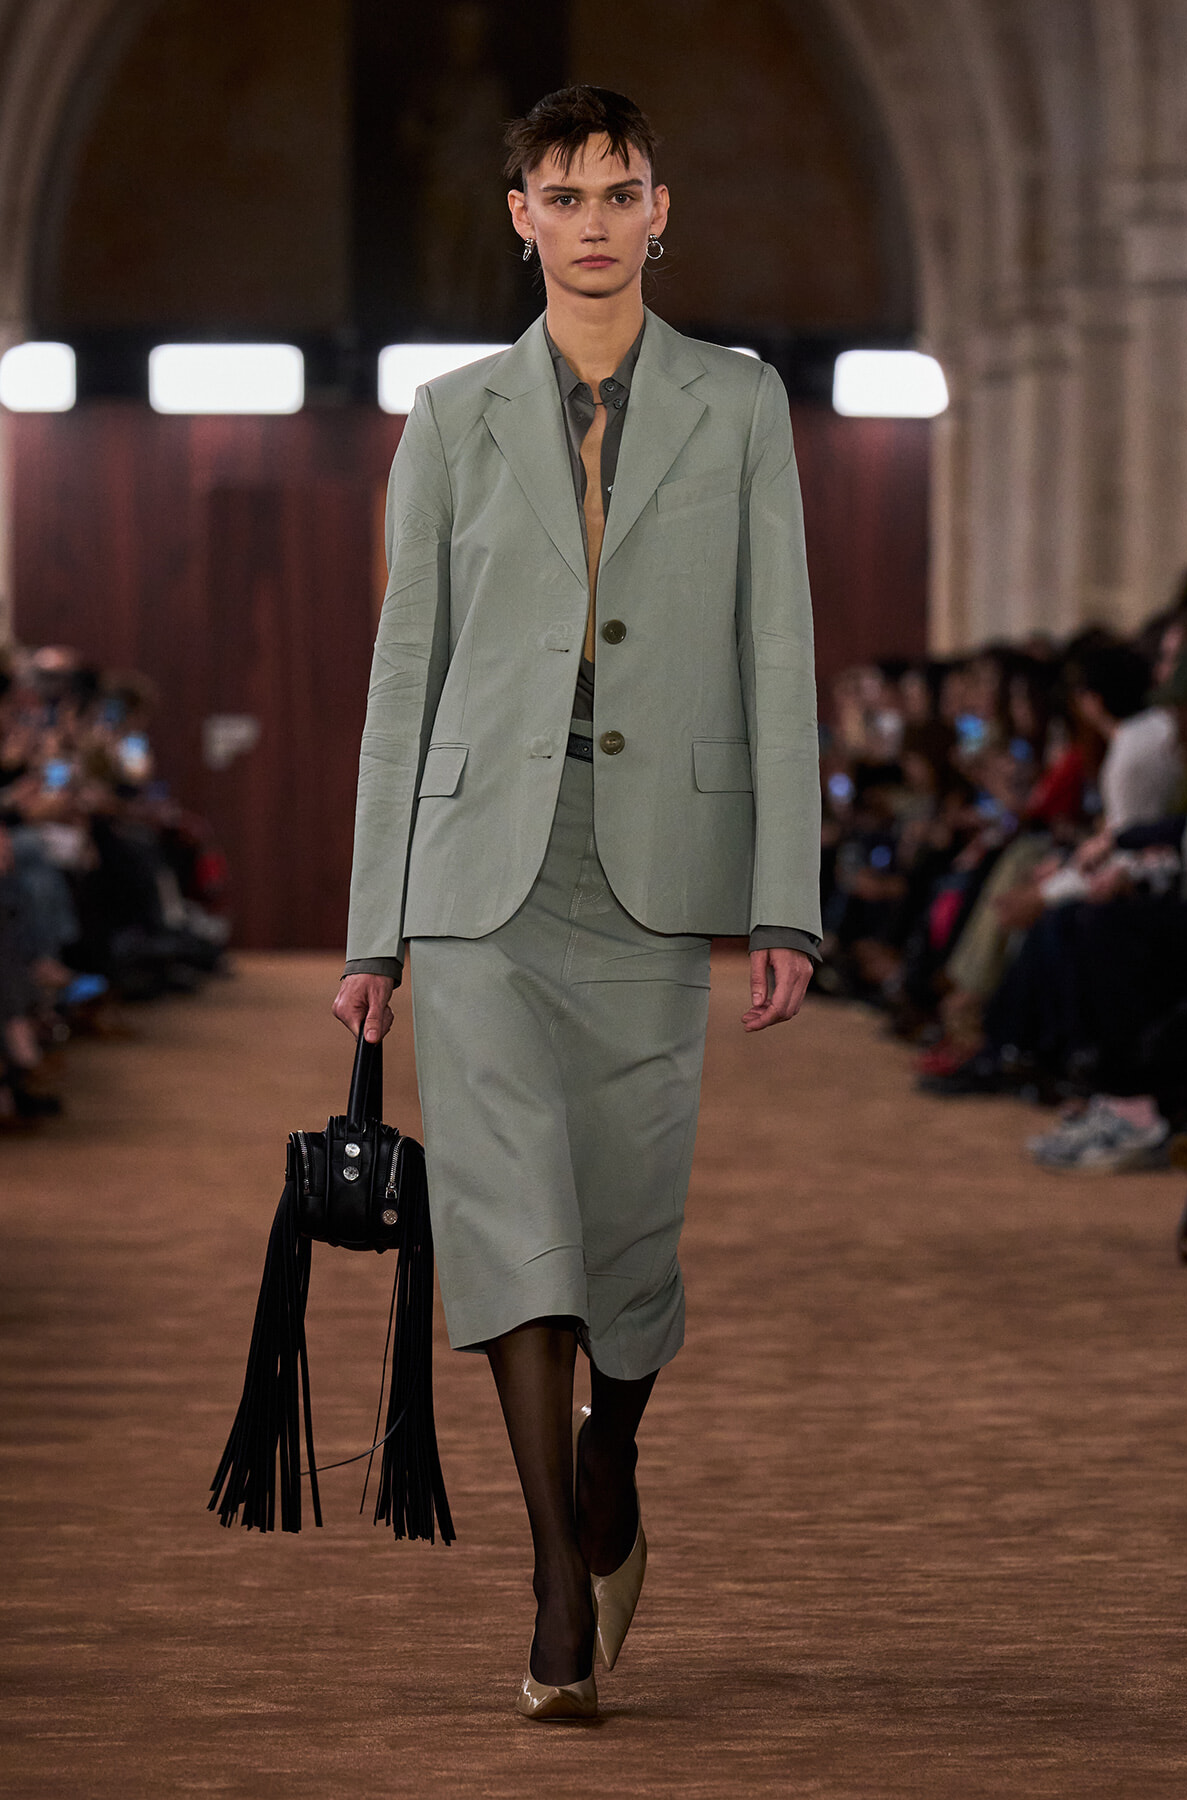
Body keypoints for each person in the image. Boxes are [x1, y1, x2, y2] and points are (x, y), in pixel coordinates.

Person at [333, 85, 821, 1720]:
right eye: (565, 192)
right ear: (522, 215)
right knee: (507, 1225)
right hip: (480, 874)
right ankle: (554, 1578)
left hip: (654, 875)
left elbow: (778, 651)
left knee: (625, 1242)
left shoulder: (741, 403)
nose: (596, 218)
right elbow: (405, 676)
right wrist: (372, 930)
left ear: (661, 209)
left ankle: (612, 1458)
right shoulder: (452, 415)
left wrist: (787, 900)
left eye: (621, 191)